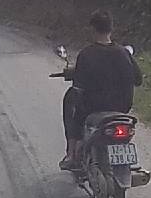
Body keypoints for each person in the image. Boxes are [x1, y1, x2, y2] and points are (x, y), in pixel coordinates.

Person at [59, 10, 143, 170]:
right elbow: (138, 80)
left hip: (94, 108)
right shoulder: (124, 53)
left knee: (71, 99)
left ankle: (72, 153)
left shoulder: (86, 54)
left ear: (93, 29)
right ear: (111, 28)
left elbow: (78, 87)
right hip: (121, 109)